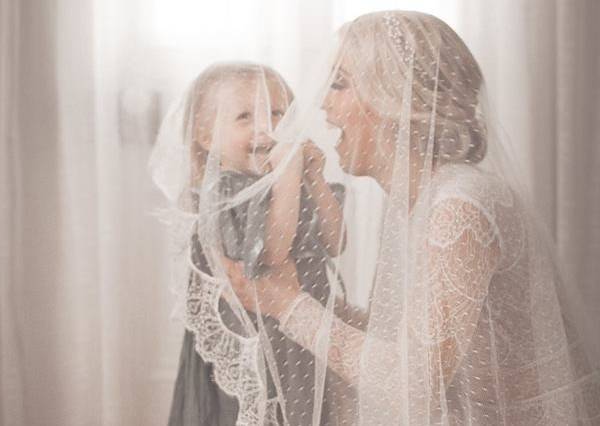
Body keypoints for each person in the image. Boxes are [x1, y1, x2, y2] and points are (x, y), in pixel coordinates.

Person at [221, 11, 600, 425]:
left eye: (340, 84)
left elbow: (414, 383)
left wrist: (289, 306)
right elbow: (414, 344)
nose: (323, 105)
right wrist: (306, 297)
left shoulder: (461, 207)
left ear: (397, 99)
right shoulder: (419, 200)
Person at [150, 62, 352, 425]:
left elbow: (336, 241)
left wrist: (315, 178)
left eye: (277, 113)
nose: (267, 128)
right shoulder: (225, 194)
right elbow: (272, 254)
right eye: (245, 116)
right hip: (257, 344)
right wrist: (289, 177)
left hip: (303, 338)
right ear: (207, 137)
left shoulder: (298, 182)